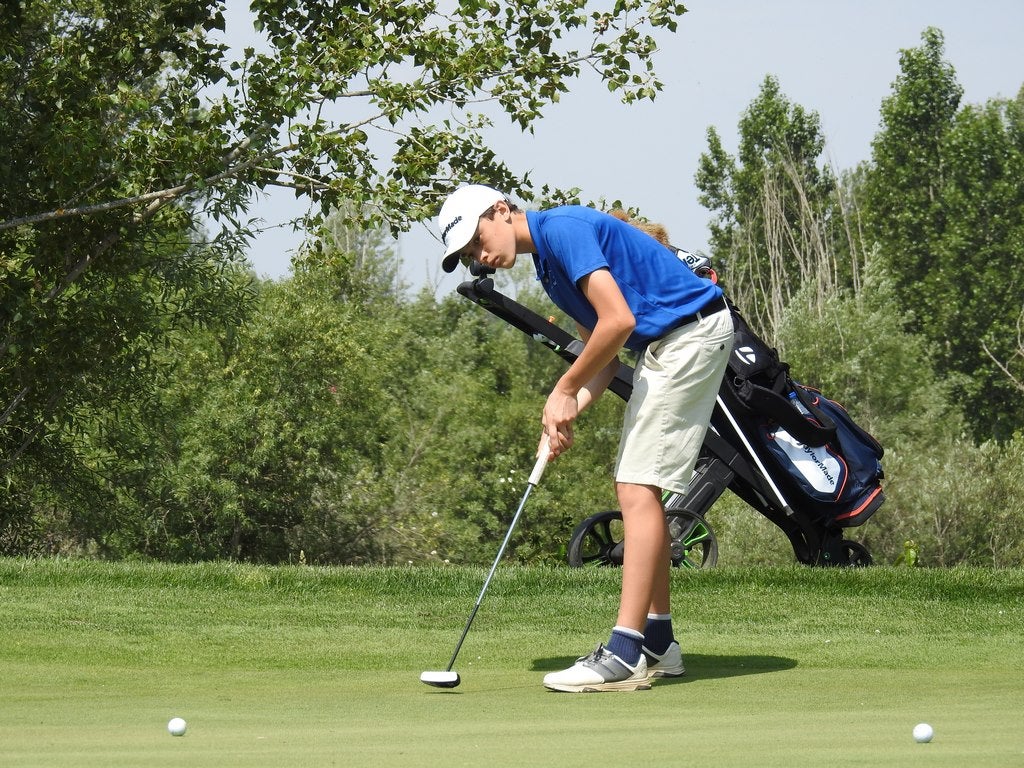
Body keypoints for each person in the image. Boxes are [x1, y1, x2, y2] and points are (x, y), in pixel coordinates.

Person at [437, 184, 734, 692]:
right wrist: (566, 412)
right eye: (468, 254)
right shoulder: (550, 269)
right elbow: (607, 354)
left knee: (636, 490)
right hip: (672, 344)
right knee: (643, 491)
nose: (479, 255)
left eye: (476, 239)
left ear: (502, 211)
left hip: (688, 337)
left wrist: (563, 388)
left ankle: (623, 652)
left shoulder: (563, 229)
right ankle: (658, 642)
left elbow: (618, 321)